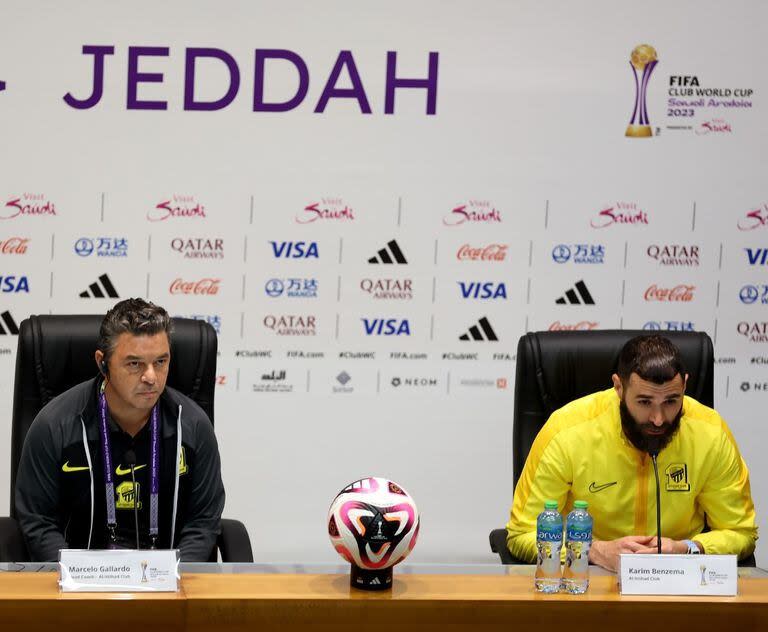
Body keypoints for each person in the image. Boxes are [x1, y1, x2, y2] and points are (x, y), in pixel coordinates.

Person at [506, 334, 757, 571]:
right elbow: (523, 533)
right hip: (587, 579)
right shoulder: (566, 431)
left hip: (676, 582)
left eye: (671, 401)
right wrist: (592, 551)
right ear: (618, 387)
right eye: (645, 402)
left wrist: (688, 548)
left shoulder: (710, 433)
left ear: (685, 386)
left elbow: (740, 532)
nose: (658, 420)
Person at [16, 299, 225, 561]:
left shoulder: (193, 426)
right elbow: (39, 522)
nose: (151, 377)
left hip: (169, 586)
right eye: (134, 364)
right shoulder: (54, 426)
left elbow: (203, 522)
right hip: (77, 588)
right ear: (103, 363)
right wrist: (76, 583)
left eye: (160, 361)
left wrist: (175, 581)